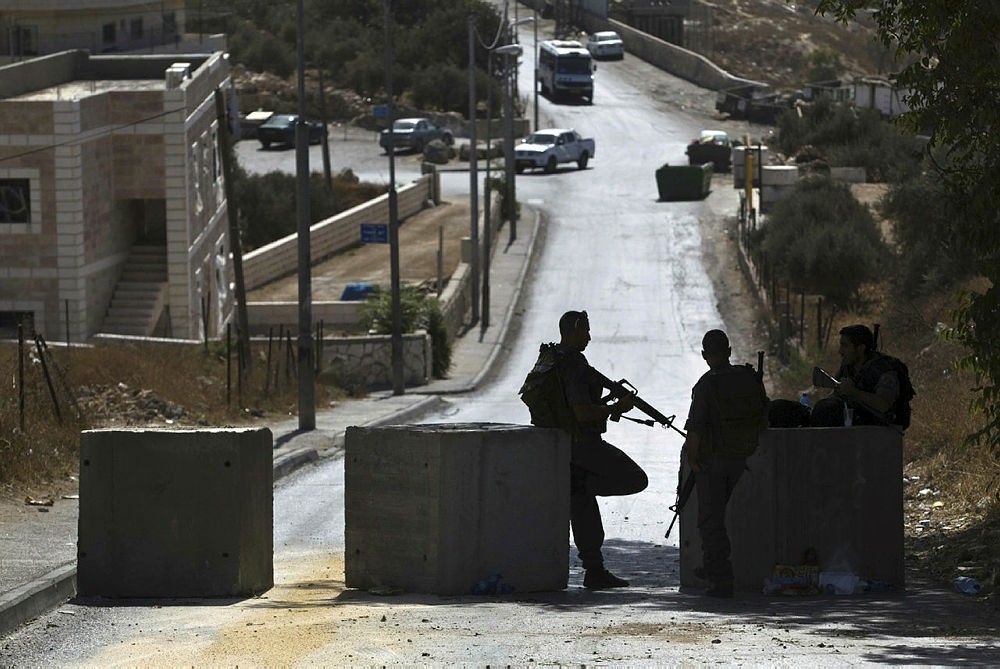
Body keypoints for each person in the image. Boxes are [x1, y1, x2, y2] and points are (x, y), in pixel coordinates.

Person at [550, 310, 649, 589]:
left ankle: (594, 570)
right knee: (635, 478)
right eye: (586, 331)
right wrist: (615, 408)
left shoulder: (555, 359)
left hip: (565, 447)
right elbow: (581, 413)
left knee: (582, 506)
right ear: (573, 331)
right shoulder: (574, 365)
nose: (590, 337)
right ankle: (583, 484)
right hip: (584, 446)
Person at [683, 329, 769, 597]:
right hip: (741, 457)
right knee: (716, 517)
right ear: (729, 352)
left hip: (713, 460)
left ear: (705, 355)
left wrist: (692, 458)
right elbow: (763, 414)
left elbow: (695, 428)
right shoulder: (748, 378)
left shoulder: (706, 385)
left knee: (710, 520)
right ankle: (714, 568)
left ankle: (720, 577)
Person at [809, 324, 906, 428]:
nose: (840, 351)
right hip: (853, 423)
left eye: (845, 346)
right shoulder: (847, 368)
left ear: (860, 349)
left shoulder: (883, 370)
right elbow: (834, 396)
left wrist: (853, 392)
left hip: (878, 428)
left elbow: (883, 405)